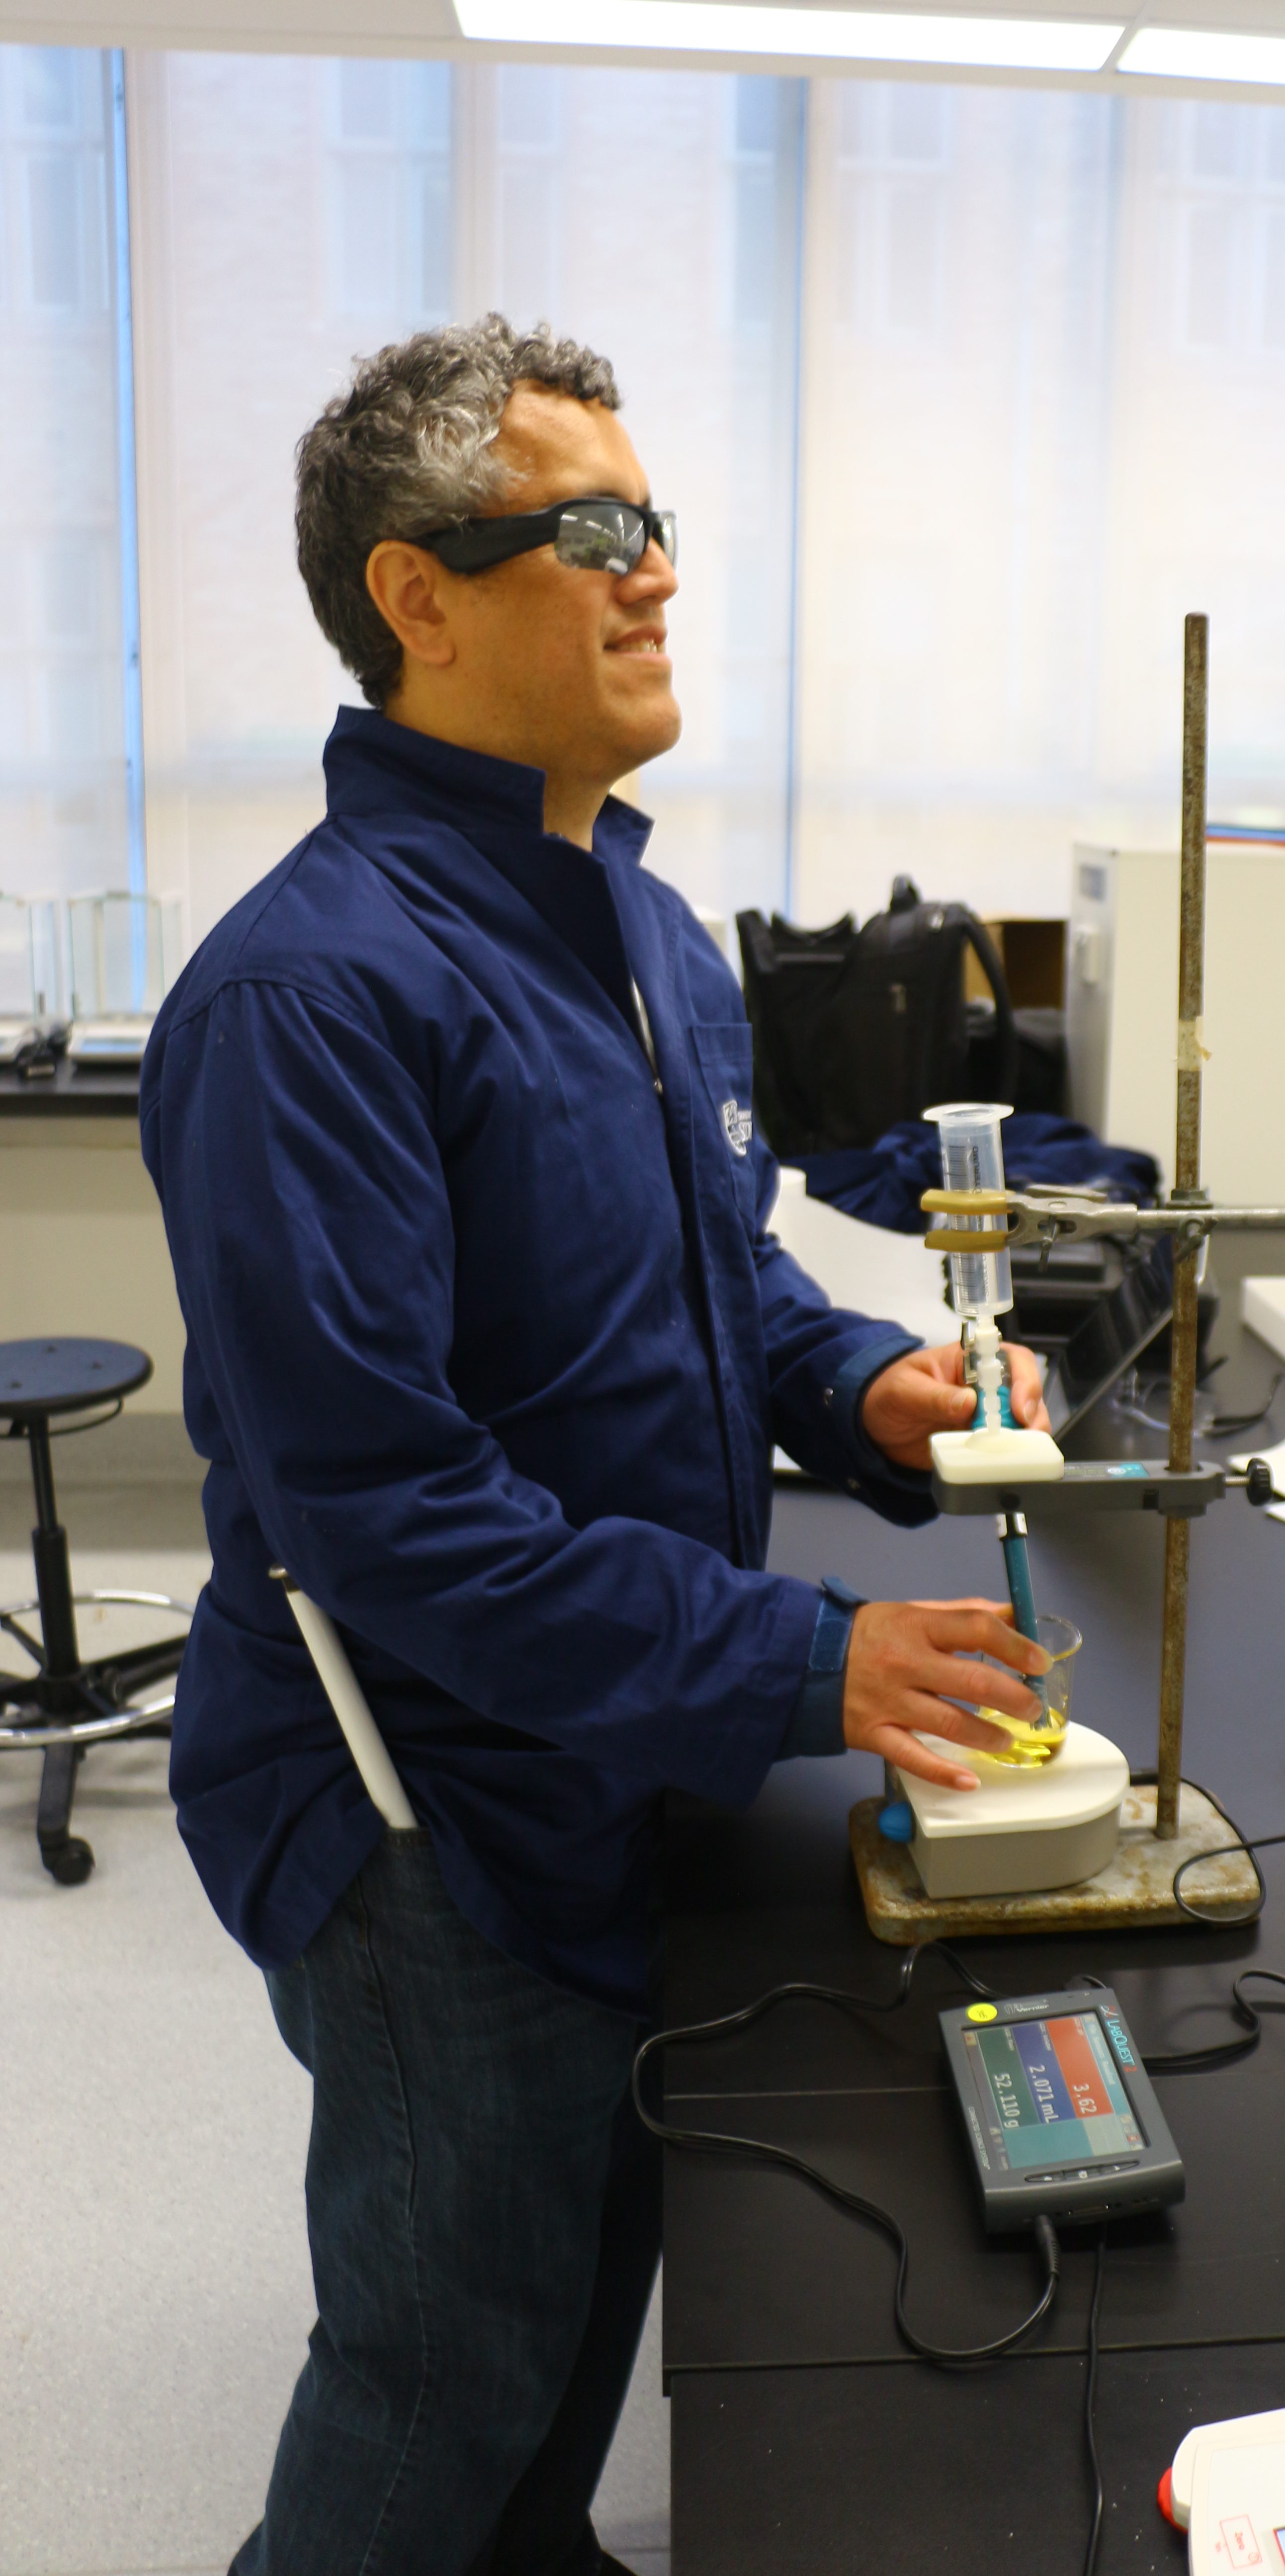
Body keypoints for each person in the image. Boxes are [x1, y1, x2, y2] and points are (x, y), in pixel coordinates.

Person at [140, 314, 1052, 2576]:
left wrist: (862, 1387)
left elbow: (711, 1279)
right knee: (437, 2383)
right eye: (595, 530)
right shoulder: (308, 998)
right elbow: (392, 1516)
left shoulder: (646, 935)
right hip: (423, 1810)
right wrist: (798, 1665)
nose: (656, 575)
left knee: (583, 2303)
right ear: (413, 595)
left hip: (624, 1749)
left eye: (662, 526)